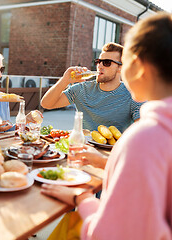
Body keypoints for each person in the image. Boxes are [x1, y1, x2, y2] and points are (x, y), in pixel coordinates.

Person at [41, 12, 172, 239]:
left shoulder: (144, 137)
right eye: (99, 61)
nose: (100, 65)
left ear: (137, 66)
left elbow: (107, 233)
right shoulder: (160, 131)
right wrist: (104, 162)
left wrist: (81, 199)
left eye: (109, 62)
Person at [41, 42, 143, 132]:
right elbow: (46, 104)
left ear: (121, 68)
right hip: (85, 148)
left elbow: (144, 129)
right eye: (99, 61)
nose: (100, 66)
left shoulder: (132, 94)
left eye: (106, 63)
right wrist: (65, 80)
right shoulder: (82, 89)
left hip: (113, 151)